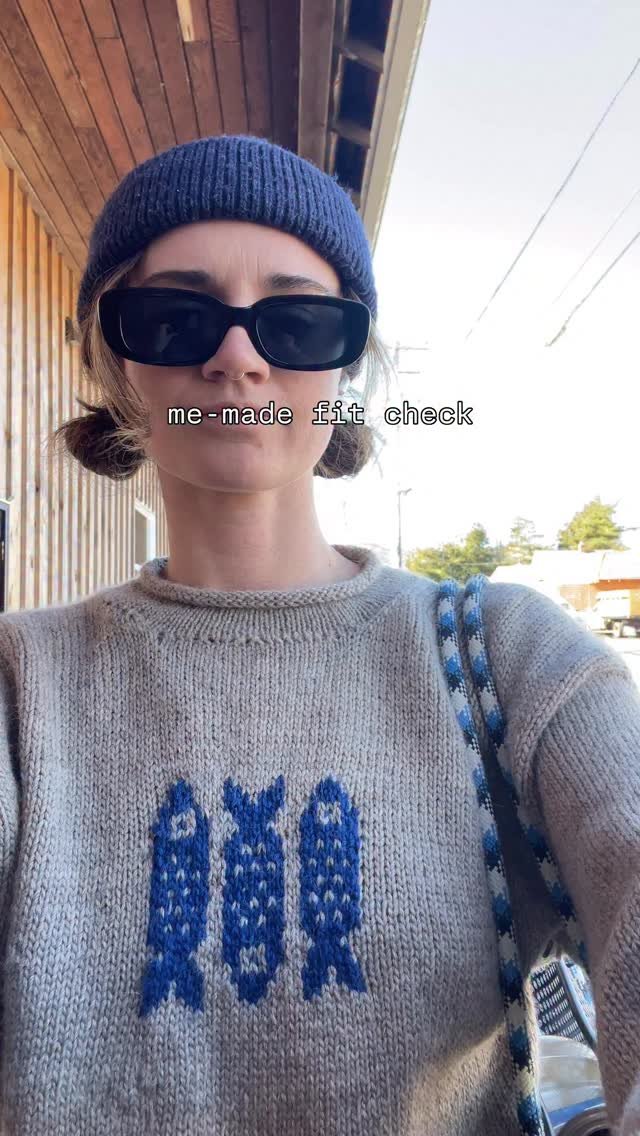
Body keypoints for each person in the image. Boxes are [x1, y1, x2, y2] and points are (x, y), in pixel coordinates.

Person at [0, 133, 639, 1136]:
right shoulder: (19, 686)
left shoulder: (507, 657)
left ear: (345, 365)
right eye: (175, 316)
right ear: (114, 358)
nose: (237, 358)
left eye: (295, 320)